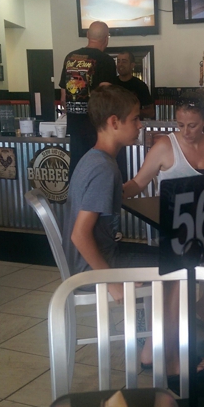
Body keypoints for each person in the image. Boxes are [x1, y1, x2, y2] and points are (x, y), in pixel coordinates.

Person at [122, 90, 204, 382]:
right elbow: (139, 183)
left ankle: (158, 346)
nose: (185, 132)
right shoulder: (166, 146)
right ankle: (171, 354)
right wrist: (111, 193)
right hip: (171, 235)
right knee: (180, 274)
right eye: (180, 125)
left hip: (202, 233)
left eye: (192, 125)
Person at [62, 85, 142, 303]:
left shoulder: (93, 158)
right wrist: (111, 282)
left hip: (89, 264)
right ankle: (150, 338)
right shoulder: (104, 169)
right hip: (92, 270)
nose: (140, 125)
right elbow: (79, 235)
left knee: (166, 262)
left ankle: (146, 331)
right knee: (175, 271)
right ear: (114, 122)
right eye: (135, 119)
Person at [59, 21, 117, 179]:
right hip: (97, 129)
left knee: (77, 171)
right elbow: (106, 97)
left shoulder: (70, 58)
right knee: (98, 172)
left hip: (75, 126)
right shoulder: (106, 61)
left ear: (87, 36)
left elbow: (63, 98)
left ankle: (76, 203)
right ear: (106, 39)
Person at [114, 50, 155, 119]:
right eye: (118, 61)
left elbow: (151, 112)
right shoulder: (111, 84)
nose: (120, 64)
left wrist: (132, 112)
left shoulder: (140, 86)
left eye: (124, 61)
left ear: (132, 65)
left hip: (134, 125)